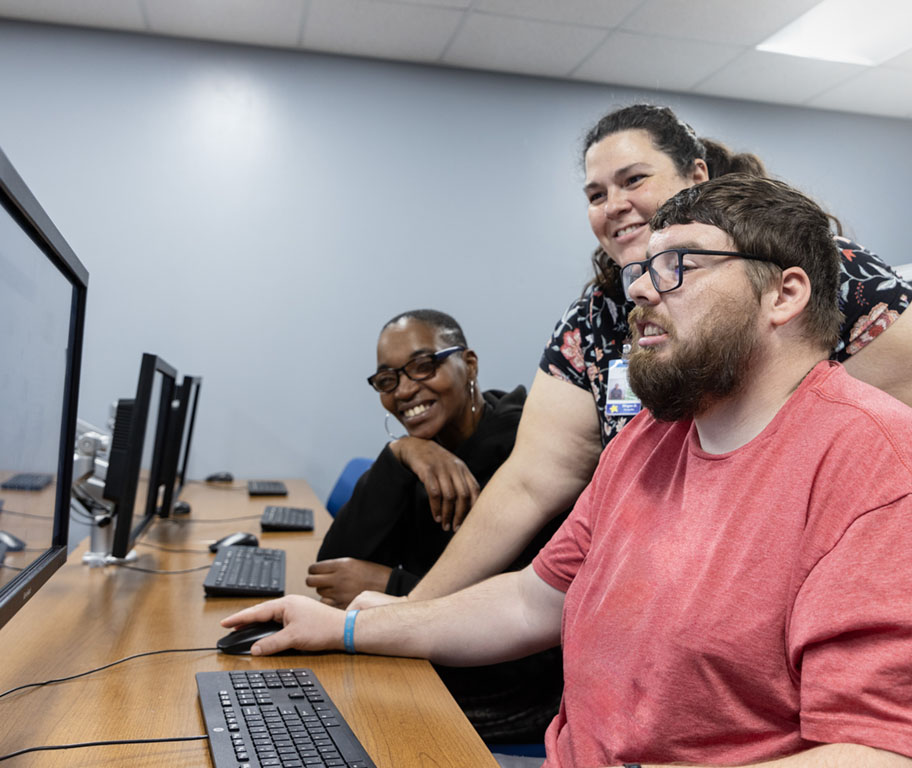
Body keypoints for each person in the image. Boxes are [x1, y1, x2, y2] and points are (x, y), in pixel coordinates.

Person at [222, 175, 912, 767]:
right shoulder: (649, 438)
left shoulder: (874, 464)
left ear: (784, 295)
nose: (640, 288)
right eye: (643, 269)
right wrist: (346, 629)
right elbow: (533, 600)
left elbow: (873, 752)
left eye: (677, 266)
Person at [349, 103, 912, 610]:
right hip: (648, 599)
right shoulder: (596, 320)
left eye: (634, 180)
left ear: (696, 176)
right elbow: (528, 483)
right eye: (596, 195)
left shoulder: (818, 273)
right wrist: (413, 607)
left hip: (781, 593)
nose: (615, 206)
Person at [308, 308, 565, 743]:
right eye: (388, 380)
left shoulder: (529, 456)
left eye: (423, 366)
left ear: (469, 364)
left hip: (508, 692)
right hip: (427, 659)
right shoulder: (422, 452)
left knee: (319, 726)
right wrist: (401, 453)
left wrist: (395, 588)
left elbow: (532, 617)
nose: (406, 390)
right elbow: (331, 573)